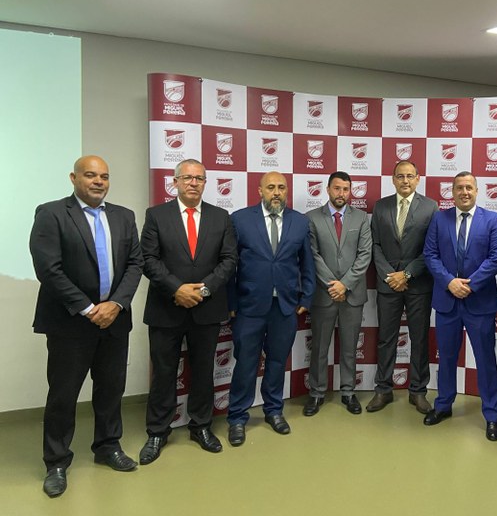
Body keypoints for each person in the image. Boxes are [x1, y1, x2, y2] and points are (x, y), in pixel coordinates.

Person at [30, 155, 143, 497]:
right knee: (63, 395)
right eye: (90, 175)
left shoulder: (124, 216)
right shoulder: (51, 213)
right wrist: (89, 308)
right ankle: (56, 462)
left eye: (104, 176)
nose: (98, 181)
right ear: (74, 178)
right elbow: (48, 269)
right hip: (70, 323)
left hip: (115, 320)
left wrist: (116, 304)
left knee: (111, 390)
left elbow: (135, 264)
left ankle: (107, 447)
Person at [139, 159, 237, 464]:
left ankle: (201, 426)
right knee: (164, 372)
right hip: (166, 308)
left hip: (207, 308)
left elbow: (229, 260)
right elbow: (148, 259)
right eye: (187, 178)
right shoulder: (156, 215)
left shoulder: (221, 217)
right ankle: (158, 431)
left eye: (199, 179)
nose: (193, 183)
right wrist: (177, 289)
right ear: (176, 182)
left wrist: (203, 290)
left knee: (204, 371)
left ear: (205, 183)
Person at [226, 171, 315, 444]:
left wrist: (306, 299)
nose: (276, 192)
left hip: (285, 307)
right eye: (271, 187)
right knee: (246, 363)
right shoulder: (240, 219)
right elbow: (229, 265)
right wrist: (231, 303)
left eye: (281, 187)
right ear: (260, 190)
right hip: (249, 306)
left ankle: (274, 410)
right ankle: (237, 417)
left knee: (277, 362)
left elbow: (307, 263)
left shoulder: (299, 222)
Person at [422, 171, 497, 441]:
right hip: (447, 302)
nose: (464, 192)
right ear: (453, 191)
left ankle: (492, 415)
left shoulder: (492, 220)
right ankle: (443, 405)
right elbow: (430, 255)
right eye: (459, 187)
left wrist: (469, 284)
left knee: (485, 359)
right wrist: (449, 282)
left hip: (479, 302)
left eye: (469, 187)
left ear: (477, 191)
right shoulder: (439, 218)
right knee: (446, 357)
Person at [366, 161, 437, 414]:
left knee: (419, 339)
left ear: (418, 178)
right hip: (388, 285)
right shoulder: (380, 206)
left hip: (419, 284)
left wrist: (406, 274)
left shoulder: (430, 207)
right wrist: (390, 276)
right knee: (386, 338)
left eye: (409, 176)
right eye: (400, 176)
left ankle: (418, 391)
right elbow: (375, 245)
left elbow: (431, 248)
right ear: (393, 179)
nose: (405, 180)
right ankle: (383, 389)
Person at [303, 171, 372, 416]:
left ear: (350, 191)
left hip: (352, 294)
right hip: (324, 294)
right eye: (337, 188)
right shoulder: (311, 218)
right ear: (328, 189)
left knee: (350, 347)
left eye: (345, 189)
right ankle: (316, 393)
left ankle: (348, 392)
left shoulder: (361, 218)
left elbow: (365, 254)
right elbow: (312, 255)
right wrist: (333, 285)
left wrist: (346, 284)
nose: (341, 193)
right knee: (319, 347)